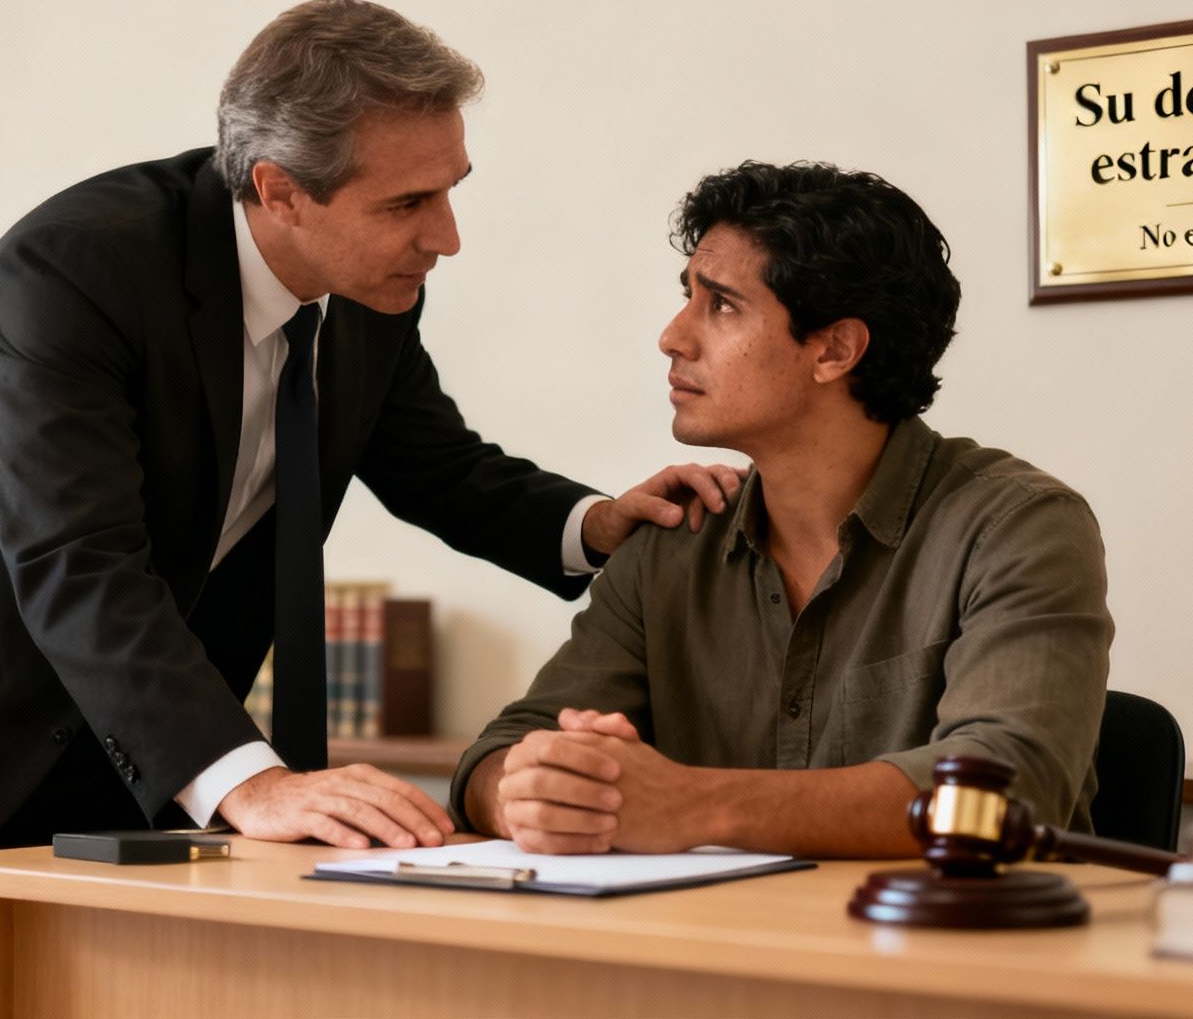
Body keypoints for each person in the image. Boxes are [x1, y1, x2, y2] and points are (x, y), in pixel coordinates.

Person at [0, 0, 738, 1018]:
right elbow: (75, 557)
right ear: (279, 191)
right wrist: (251, 784)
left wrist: (592, 524)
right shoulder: (73, 267)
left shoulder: (367, 287)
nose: (444, 237)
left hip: (139, 733)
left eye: (450, 191)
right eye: (406, 204)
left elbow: (436, 464)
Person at [453, 160, 1114, 858]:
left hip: (963, 957)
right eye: (687, 297)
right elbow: (500, 752)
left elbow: (1003, 793)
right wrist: (534, 793)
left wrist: (694, 805)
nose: (673, 337)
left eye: (722, 305)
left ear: (834, 349)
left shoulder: (1020, 526)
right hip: (726, 953)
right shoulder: (670, 540)